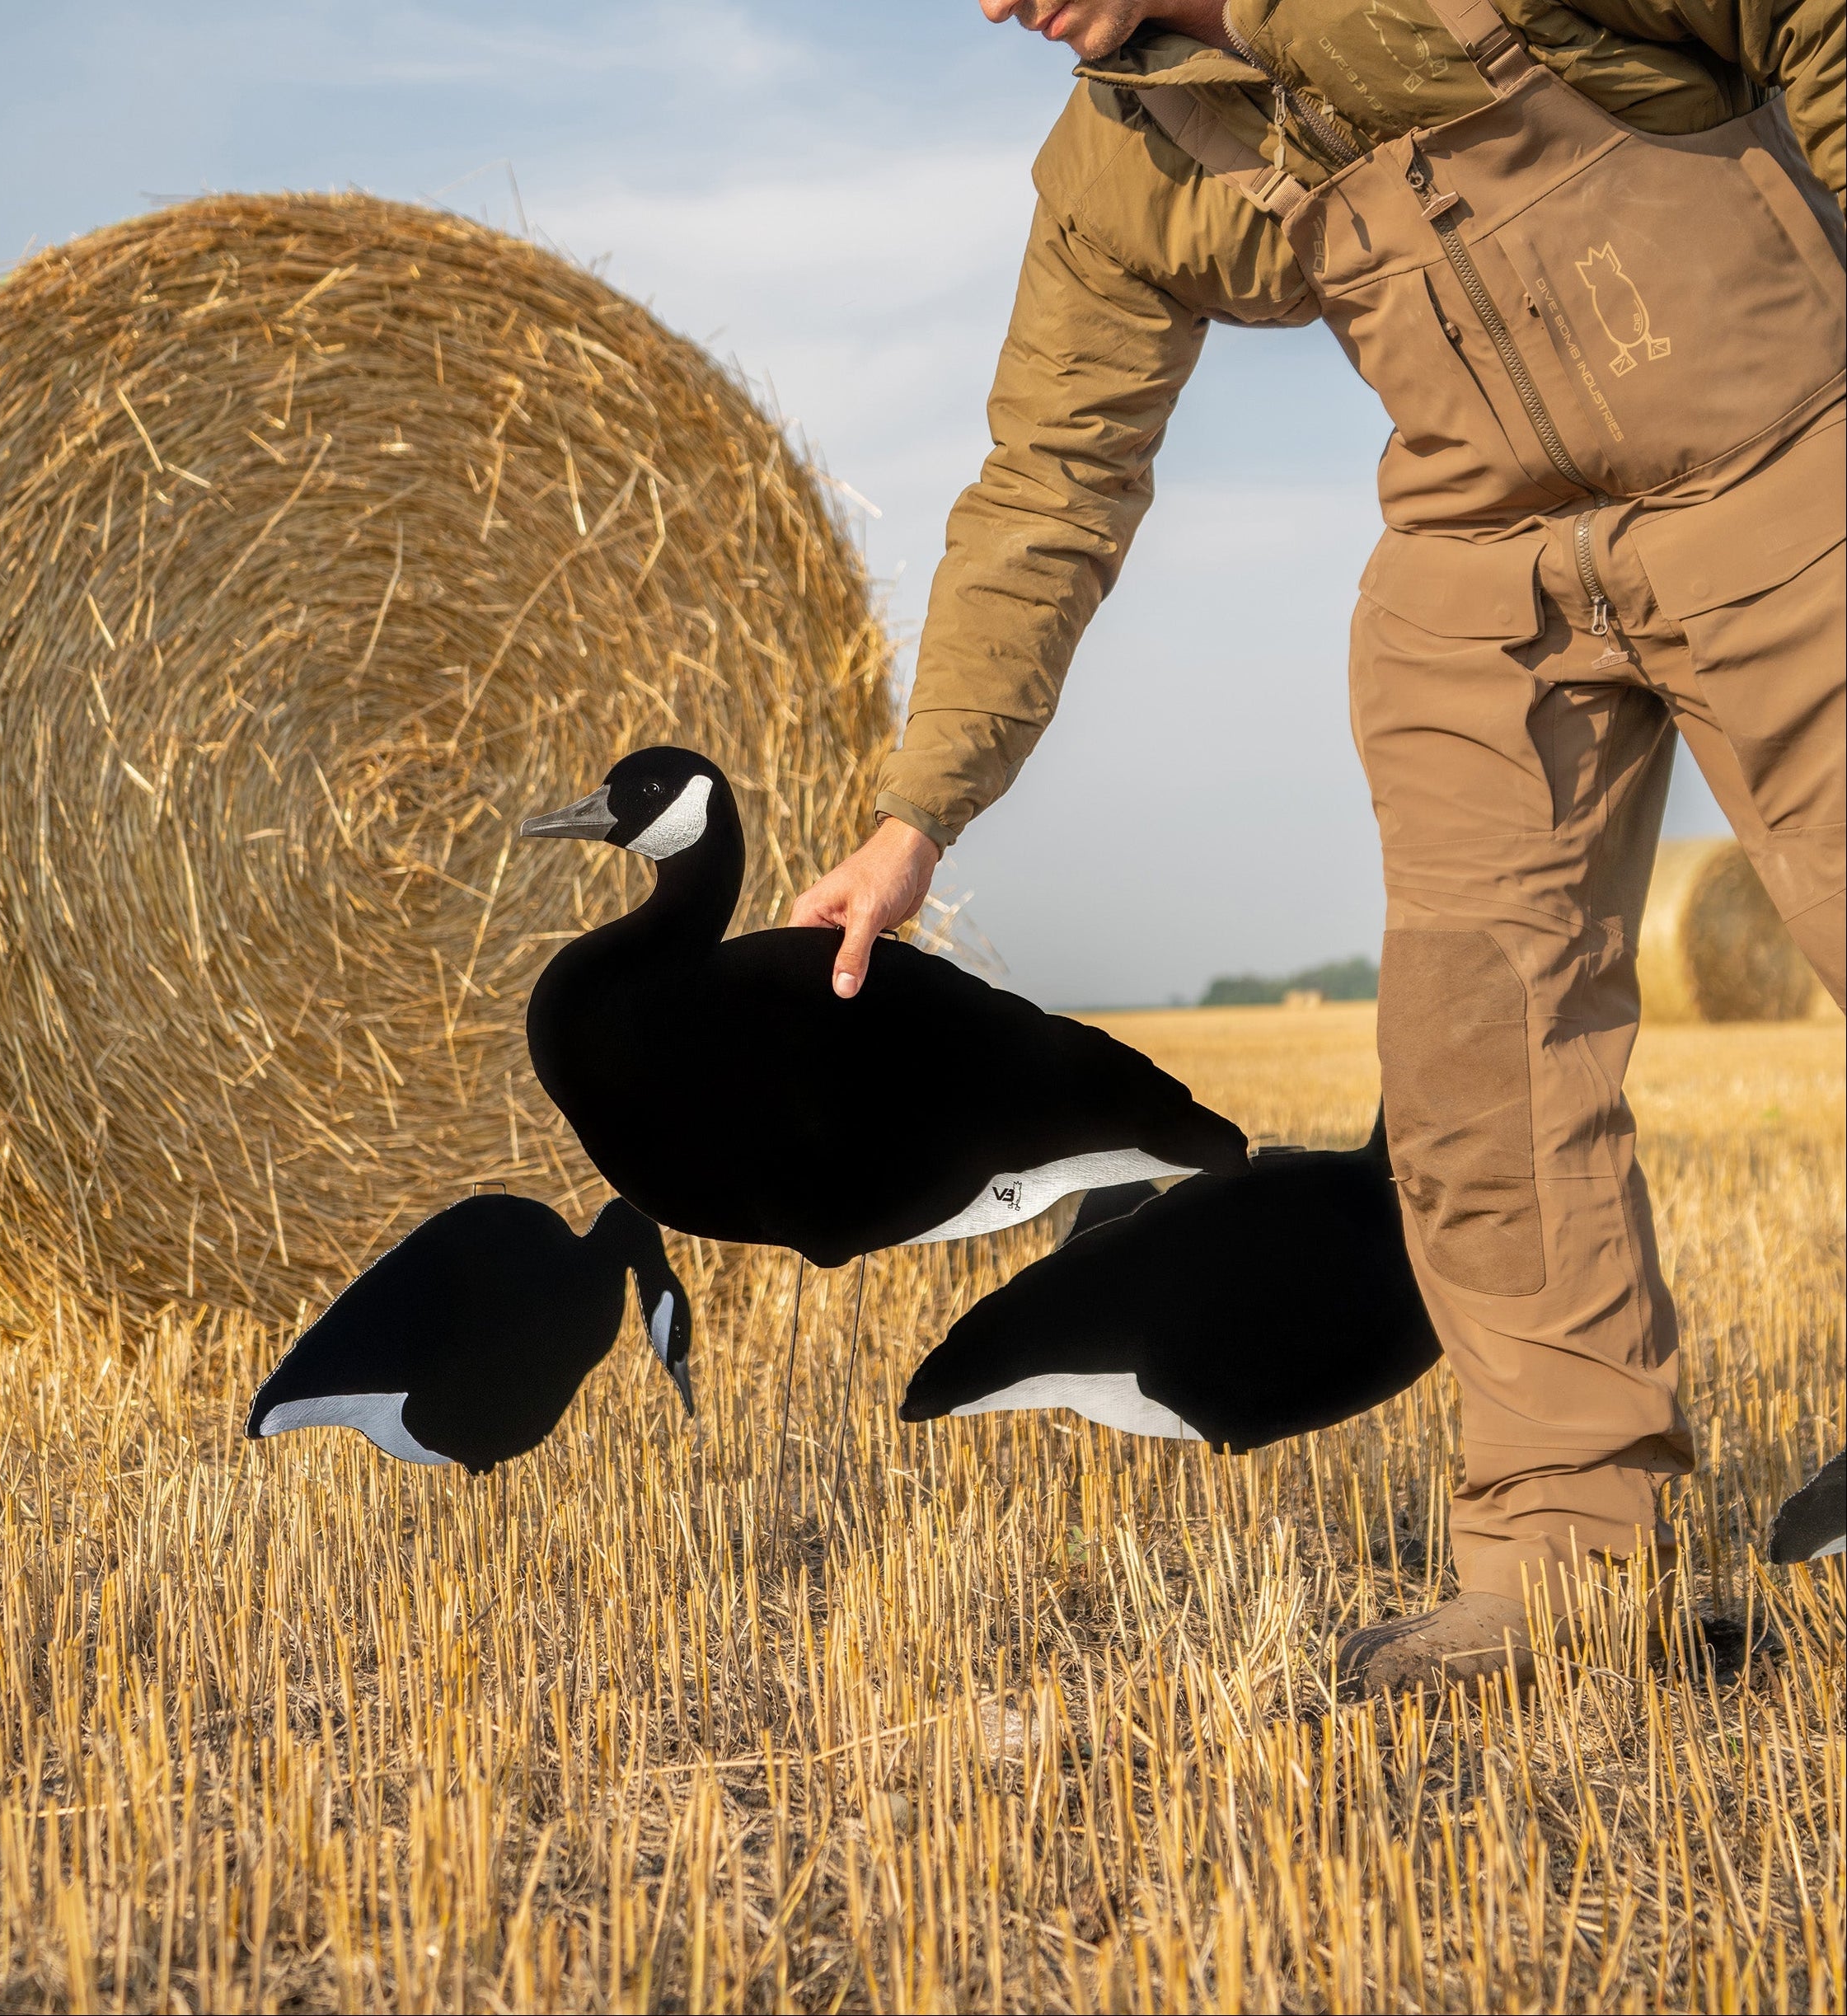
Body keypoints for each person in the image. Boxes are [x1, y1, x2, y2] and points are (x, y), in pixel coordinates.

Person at [790, 0, 1844, 1695]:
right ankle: (1566, 1558)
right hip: (1484, 552)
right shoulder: (1112, 163)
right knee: (1467, 1065)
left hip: (1784, 458)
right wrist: (920, 810)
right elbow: (1047, 479)